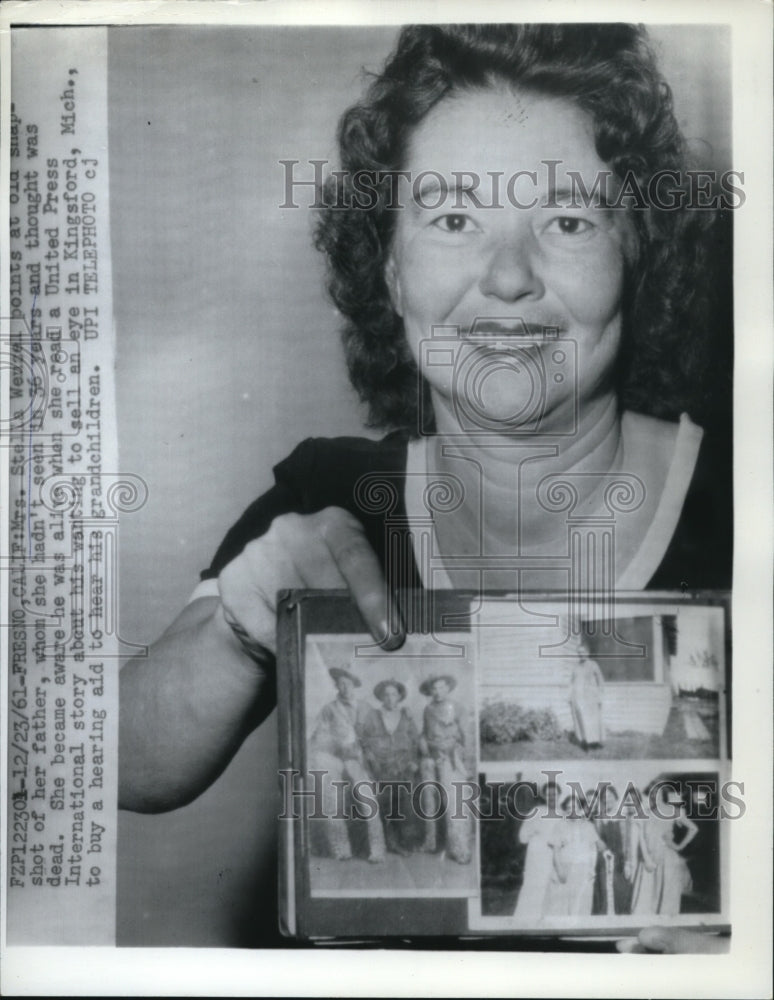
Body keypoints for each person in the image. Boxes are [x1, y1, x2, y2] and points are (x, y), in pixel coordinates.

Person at [118, 24, 731, 947]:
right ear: (392, 266)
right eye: (452, 219)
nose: (510, 276)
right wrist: (243, 626)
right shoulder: (330, 494)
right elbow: (118, 765)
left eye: (567, 220)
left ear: (635, 251)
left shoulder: (742, 502)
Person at [307, 667, 386, 862]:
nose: (344, 687)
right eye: (340, 684)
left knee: (368, 799)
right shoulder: (329, 709)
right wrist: (337, 744)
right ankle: (340, 849)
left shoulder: (366, 708)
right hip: (334, 756)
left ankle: (377, 850)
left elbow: (377, 736)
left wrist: (367, 751)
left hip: (359, 758)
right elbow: (318, 737)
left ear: (354, 686)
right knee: (330, 797)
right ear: (336, 686)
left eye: (348, 684)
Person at [359, 679, 421, 855]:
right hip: (382, 766)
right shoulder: (373, 715)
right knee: (386, 803)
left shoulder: (406, 716)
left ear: (399, 696)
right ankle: (392, 842)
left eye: (393, 694)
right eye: (386, 694)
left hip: (404, 766)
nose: (390, 697)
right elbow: (364, 740)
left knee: (405, 804)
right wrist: (370, 756)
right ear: (381, 697)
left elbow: (415, 740)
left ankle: (406, 840)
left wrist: (414, 760)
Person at [416, 674, 473, 864]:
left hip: (450, 755)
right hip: (430, 757)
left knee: (456, 803)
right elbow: (424, 732)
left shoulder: (458, 708)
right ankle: (431, 842)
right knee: (429, 801)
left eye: (442, 688)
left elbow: (466, 737)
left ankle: (460, 849)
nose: (438, 692)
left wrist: (465, 763)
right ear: (430, 691)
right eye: (434, 688)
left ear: (448, 689)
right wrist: (422, 743)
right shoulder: (428, 709)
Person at [630, 786, 699, 917]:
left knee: (667, 903)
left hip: (667, 859)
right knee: (648, 902)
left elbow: (693, 828)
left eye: (657, 792)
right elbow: (642, 839)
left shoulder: (673, 810)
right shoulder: (646, 813)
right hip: (649, 859)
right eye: (651, 794)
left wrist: (679, 846)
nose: (654, 796)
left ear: (663, 794)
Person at [513, 781, 566, 920]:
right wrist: (535, 832)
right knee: (534, 886)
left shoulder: (564, 814)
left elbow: (568, 838)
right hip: (536, 856)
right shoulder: (536, 812)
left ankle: (548, 922)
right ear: (544, 796)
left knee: (554, 887)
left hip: (556, 856)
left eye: (554, 794)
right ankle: (527, 921)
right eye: (548, 794)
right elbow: (523, 837)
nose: (552, 797)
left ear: (559, 795)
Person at [569, 644, 606, 751]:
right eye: (579, 652)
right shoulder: (576, 667)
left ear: (587, 653)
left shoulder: (593, 665)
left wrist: (600, 696)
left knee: (593, 719)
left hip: (591, 696)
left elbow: (600, 681)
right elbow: (572, 682)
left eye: (583, 652)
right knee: (581, 719)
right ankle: (585, 741)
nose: (581, 654)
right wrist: (570, 696)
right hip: (578, 697)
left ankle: (594, 742)